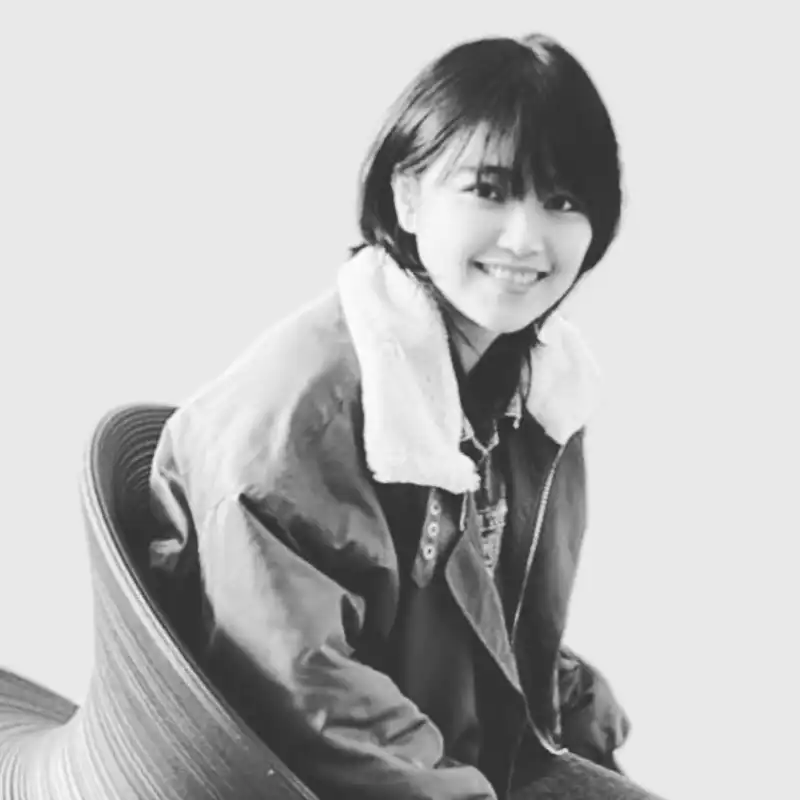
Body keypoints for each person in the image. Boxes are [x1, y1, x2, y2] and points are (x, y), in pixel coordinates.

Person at [147, 32, 666, 800]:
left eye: (562, 201)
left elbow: (478, 614)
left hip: (449, 757)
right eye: (489, 189)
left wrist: (574, 709)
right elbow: (305, 692)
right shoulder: (300, 418)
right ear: (408, 196)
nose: (526, 239)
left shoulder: (532, 396)